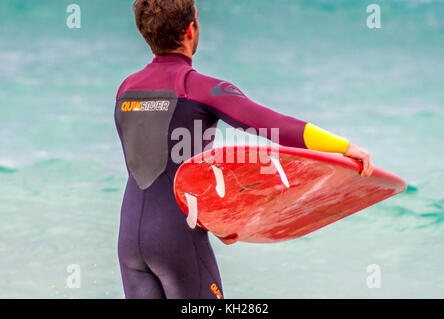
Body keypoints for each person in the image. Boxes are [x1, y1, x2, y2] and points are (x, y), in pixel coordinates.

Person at [114, 0, 374, 299]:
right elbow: (273, 126)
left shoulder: (126, 90)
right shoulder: (200, 87)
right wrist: (342, 147)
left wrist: (217, 218)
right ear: (190, 29)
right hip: (177, 239)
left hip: (129, 241)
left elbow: (155, 161)